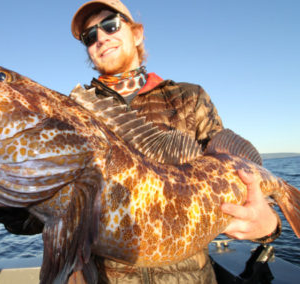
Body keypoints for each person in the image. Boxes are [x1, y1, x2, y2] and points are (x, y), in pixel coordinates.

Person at [69, 0, 281, 283]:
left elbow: (235, 170)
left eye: (110, 25)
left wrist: (269, 225)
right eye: (89, 36)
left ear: (137, 33)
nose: (101, 38)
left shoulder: (188, 98)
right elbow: (39, 215)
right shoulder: (75, 115)